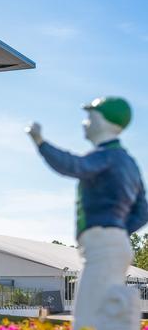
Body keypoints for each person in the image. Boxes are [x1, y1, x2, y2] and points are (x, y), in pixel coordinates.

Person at [27, 96, 148, 330]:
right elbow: (143, 209)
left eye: (89, 117)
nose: (84, 123)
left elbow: (73, 166)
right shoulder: (128, 162)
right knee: (105, 310)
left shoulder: (107, 156)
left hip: (104, 246)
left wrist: (40, 141)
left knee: (86, 317)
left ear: (103, 122)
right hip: (112, 244)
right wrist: (119, 230)